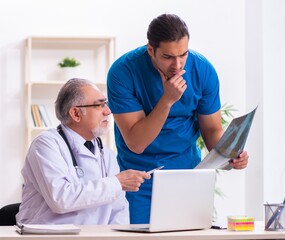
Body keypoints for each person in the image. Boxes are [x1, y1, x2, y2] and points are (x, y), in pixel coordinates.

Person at [107, 13, 249, 224]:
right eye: (168, 57)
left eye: (183, 54)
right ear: (150, 50)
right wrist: (166, 101)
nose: (178, 64)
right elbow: (136, 143)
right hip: (139, 181)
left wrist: (230, 154)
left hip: (187, 176)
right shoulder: (122, 73)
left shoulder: (202, 70)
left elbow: (211, 131)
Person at [16, 78, 150, 224]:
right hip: (49, 235)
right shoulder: (46, 145)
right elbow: (61, 199)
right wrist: (117, 182)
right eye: (99, 105)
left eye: (106, 103)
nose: (108, 111)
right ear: (76, 114)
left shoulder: (105, 153)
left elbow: (119, 210)